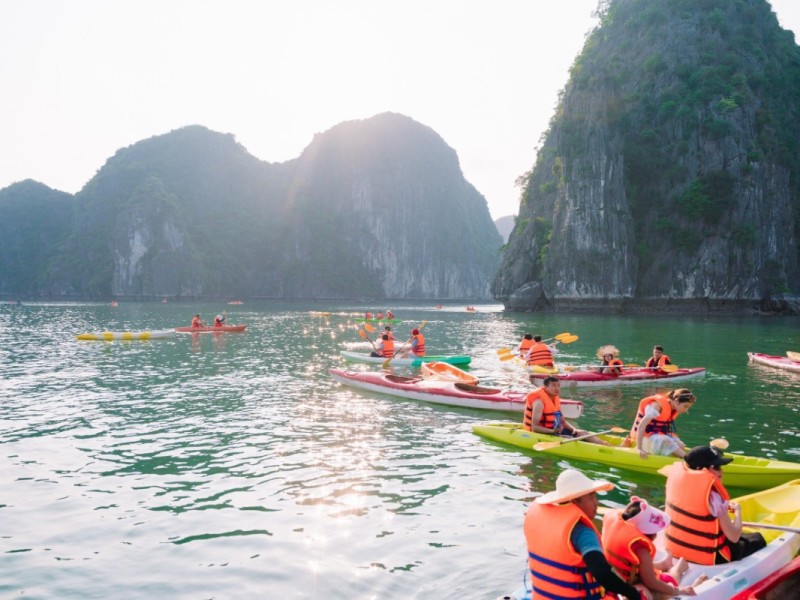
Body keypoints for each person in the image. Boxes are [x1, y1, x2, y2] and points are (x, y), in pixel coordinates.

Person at [524, 468, 641, 600]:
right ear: (575, 501)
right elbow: (602, 574)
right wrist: (633, 594)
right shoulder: (583, 533)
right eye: (591, 497)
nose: (597, 502)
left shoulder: (545, 521)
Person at [664, 445, 766, 566]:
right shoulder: (714, 498)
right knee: (757, 539)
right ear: (701, 469)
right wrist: (738, 512)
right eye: (716, 467)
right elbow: (734, 536)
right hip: (713, 556)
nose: (721, 471)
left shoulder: (676, 483)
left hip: (676, 549)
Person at [602, 496, 705, 598]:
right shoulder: (641, 551)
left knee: (661, 585)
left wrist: (678, 591)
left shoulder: (619, 528)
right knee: (650, 592)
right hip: (633, 578)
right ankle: (669, 565)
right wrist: (677, 590)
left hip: (626, 579)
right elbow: (651, 582)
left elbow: (650, 581)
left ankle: (678, 568)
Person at [523, 377, 609, 445]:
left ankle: (607, 446)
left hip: (554, 430)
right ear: (546, 387)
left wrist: (574, 429)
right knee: (569, 439)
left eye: (558, 385)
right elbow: (535, 428)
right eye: (553, 385)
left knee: (583, 433)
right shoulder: (539, 402)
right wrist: (552, 431)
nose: (557, 388)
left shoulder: (555, 399)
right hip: (541, 432)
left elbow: (562, 421)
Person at [626, 389, 695, 458]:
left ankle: (679, 459)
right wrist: (639, 448)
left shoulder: (672, 408)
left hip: (655, 436)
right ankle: (688, 460)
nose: (686, 410)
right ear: (676, 401)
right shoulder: (657, 406)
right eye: (685, 406)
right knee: (666, 441)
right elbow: (641, 426)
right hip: (643, 438)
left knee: (681, 445)